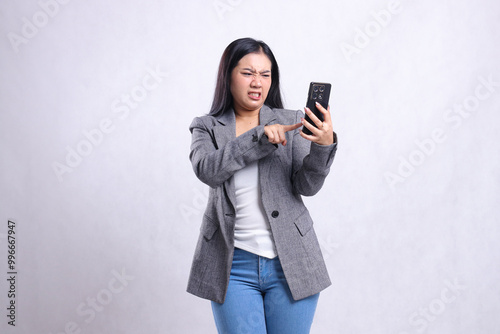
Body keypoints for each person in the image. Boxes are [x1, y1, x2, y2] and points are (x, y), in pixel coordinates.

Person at [187, 37, 338, 334]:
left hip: (292, 262)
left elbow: (307, 186)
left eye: (265, 74)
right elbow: (208, 170)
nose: (257, 82)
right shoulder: (206, 126)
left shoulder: (291, 121)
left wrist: (323, 145)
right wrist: (259, 138)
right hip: (232, 267)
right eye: (247, 73)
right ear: (228, 75)